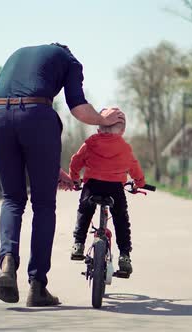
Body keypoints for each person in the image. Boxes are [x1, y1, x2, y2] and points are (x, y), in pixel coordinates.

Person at [0, 43, 124, 307]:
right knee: (42, 204)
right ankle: (37, 285)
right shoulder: (69, 59)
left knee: (13, 199)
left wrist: (53, 169)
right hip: (37, 117)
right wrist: (106, 121)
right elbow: (78, 108)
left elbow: (13, 106)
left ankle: (7, 261)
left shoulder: (17, 54)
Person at [68, 108, 145, 275]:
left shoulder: (90, 143)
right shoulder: (125, 148)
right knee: (120, 218)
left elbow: (76, 161)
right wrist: (139, 183)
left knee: (85, 210)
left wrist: (74, 178)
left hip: (92, 185)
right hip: (115, 188)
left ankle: (78, 244)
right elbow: (134, 167)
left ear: (99, 127)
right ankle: (125, 255)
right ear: (122, 131)